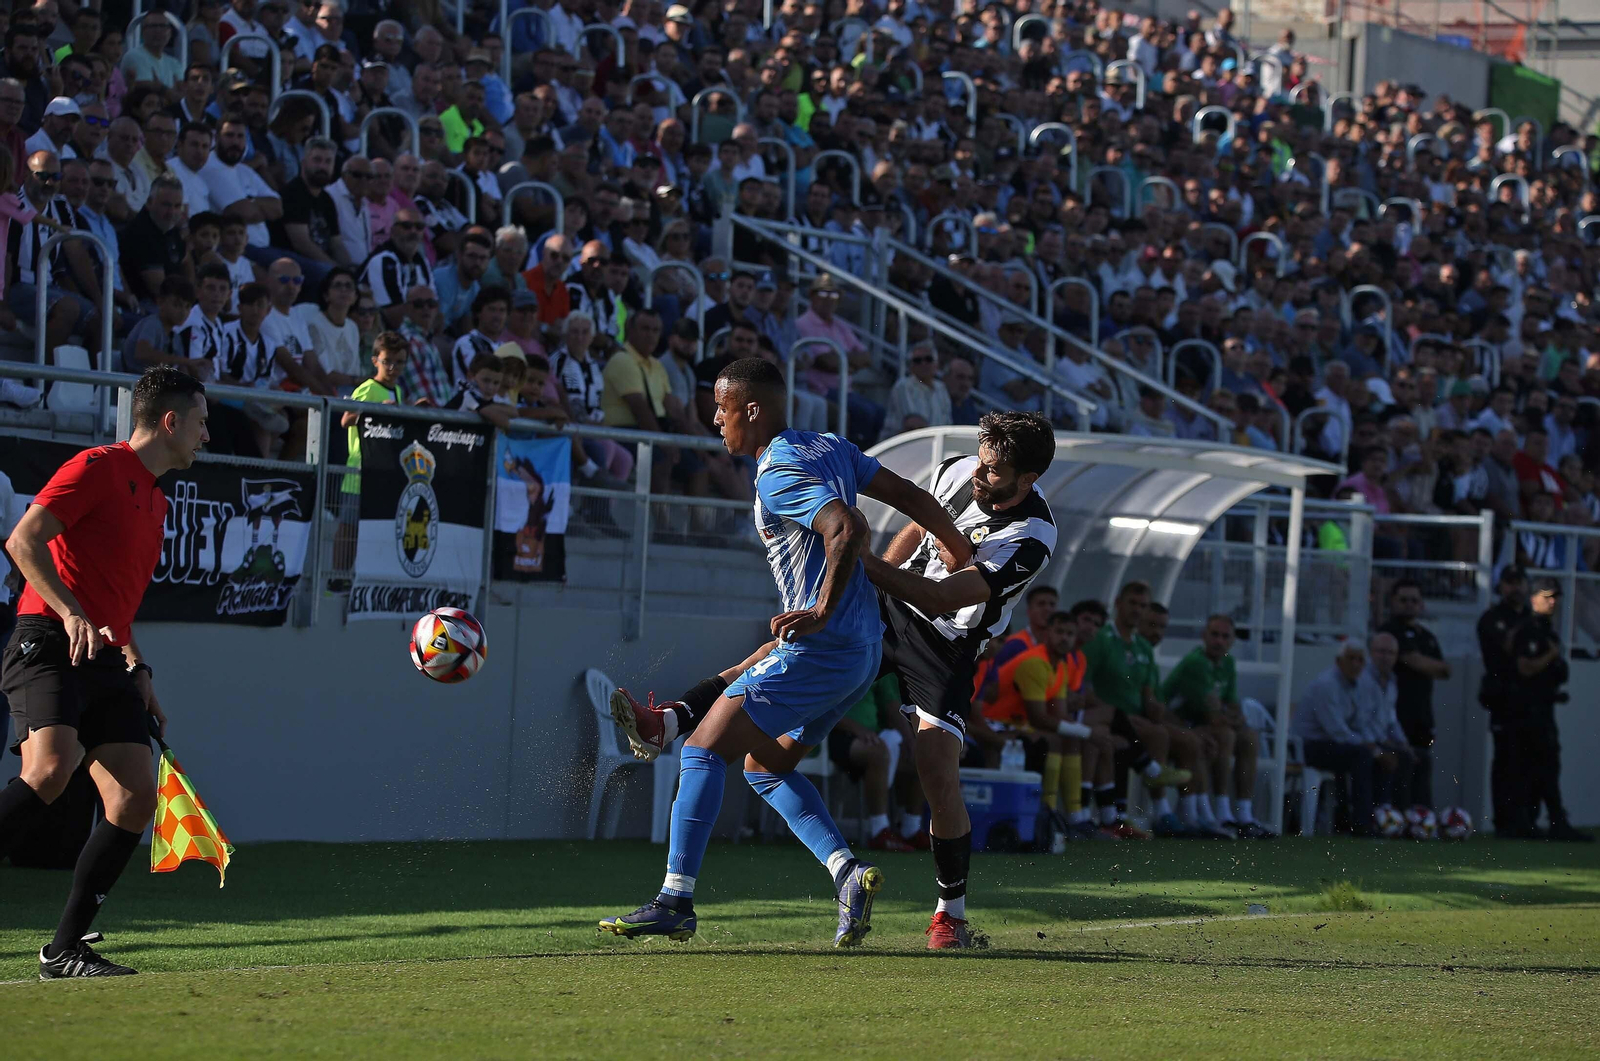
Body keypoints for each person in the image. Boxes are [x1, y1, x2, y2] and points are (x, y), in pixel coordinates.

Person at [601, 357, 973, 948]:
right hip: (861, 651)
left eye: (722, 409)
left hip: (824, 645)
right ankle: (847, 874)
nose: (715, 420)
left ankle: (675, 899)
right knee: (764, 765)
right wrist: (957, 548)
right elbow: (914, 497)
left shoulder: (778, 472)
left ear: (751, 410)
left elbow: (847, 526)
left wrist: (822, 608)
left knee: (703, 755)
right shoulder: (829, 446)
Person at [0, 366, 208, 978]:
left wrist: (139, 668)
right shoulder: (97, 467)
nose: (205, 434)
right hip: (47, 636)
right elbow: (22, 540)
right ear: (169, 422)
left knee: (136, 796)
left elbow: (117, 605)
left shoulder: (159, 501)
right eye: (200, 422)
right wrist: (68, 613)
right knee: (50, 769)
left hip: (107, 654)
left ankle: (63, 949)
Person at [1159, 614, 1276, 838]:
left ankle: (1244, 816)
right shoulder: (1196, 663)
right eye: (1214, 635)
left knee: (1249, 737)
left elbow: (1232, 708)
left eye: (1225, 636)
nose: (1219, 641)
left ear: (1232, 641)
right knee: (1225, 735)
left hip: (1200, 725)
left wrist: (1229, 715)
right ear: (1204, 636)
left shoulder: (1227, 662)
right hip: (1176, 725)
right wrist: (1229, 715)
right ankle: (1222, 815)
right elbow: (1215, 718)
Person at [1505, 578, 1593, 841]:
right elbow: (1525, 667)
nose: (1552, 602)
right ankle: (1532, 822)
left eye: (1555, 597)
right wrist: (1550, 656)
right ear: (1533, 599)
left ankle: (1542, 821)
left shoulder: (1547, 631)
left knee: (1544, 767)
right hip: (1528, 712)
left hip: (1543, 709)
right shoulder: (1530, 630)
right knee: (1535, 767)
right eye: (1546, 597)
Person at [1293, 640, 1379, 837]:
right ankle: (1361, 825)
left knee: (1380, 755)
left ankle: (1381, 818)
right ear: (1338, 661)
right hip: (1307, 747)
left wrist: (1377, 747)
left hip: (1331, 745)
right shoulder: (1327, 685)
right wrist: (1372, 749)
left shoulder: (1356, 686)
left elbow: (1359, 724)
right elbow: (1337, 731)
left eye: (1360, 660)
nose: (1356, 664)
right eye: (1351, 658)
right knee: (1362, 755)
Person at [826, 674, 916, 852]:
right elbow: (822, 707)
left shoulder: (874, 657)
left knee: (920, 755)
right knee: (878, 753)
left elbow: (890, 704)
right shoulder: (831, 656)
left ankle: (911, 829)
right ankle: (879, 832)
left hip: (871, 735)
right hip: (834, 735)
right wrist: (856, 728)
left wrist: (910, 739)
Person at [1378, 579, 1448, 808]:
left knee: (1422, 763)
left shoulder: (1427, 636)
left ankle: (1421, 816)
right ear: (1393, 602)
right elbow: (1414, 661)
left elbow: (1445, 670)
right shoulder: (1389, 632)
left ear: (1421, 604)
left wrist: (1420, 662)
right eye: (1403, 600)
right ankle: (1399, 816)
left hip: (1422, 712)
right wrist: (1419, 662)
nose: (1409, 605)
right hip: (1396, 713)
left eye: (1414, 600)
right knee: (1400, 766)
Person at [1478, 565, 1532, 838]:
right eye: (1510, 583)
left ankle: (1528, 820)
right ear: (1500, 586)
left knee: (1533, 760)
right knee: (1506, 761)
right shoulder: (1492, 618)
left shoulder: (1533, 617)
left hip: (1533, 701)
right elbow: (1510, 652)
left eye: (1519, 582)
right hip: (1504, 699)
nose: (1515, 588)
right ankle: (1505, 821)